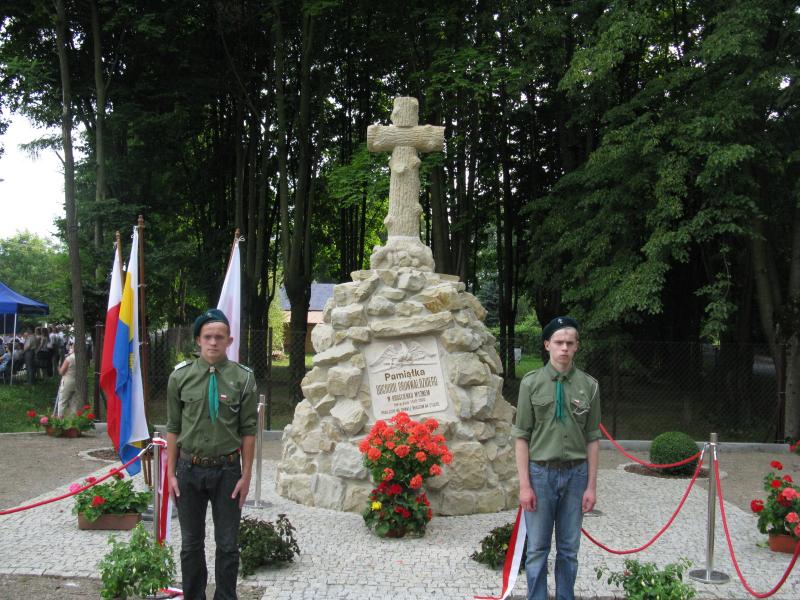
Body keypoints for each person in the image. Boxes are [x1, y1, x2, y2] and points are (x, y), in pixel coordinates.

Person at [166, 308, 257, 600]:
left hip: (227, 471)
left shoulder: (243, 379)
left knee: (228, 545)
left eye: (219, 337)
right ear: (198, 340)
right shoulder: (180, 377)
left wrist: (246, 475)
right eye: (208, 336)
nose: (213, 342)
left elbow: (249, 430)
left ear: (229, 340)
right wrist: (170, 474)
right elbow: (173, 427)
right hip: (189, 469)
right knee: (191, 544)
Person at [512, 316, 601, 600]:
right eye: (559, 342)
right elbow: (521, 436)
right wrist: (524, 485)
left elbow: (593, 439)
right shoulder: (531, 384)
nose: (564, 348)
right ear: (547, 345)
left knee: (569, 550)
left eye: (569, 343)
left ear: (577, 346)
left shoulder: (589, 386)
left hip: (576, 475)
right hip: (541, 474)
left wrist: (591, 486)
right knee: (537, 549)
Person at [56, 343, 78, 417]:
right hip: (76, 381)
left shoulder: (69, 358)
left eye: (71, 347)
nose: (70, 349)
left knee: (62, 401)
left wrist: (58, 368)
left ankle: (60, 418)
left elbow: (62, 372)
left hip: (67, 381)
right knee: (74, 403)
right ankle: (73, 420)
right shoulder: (81, 358)